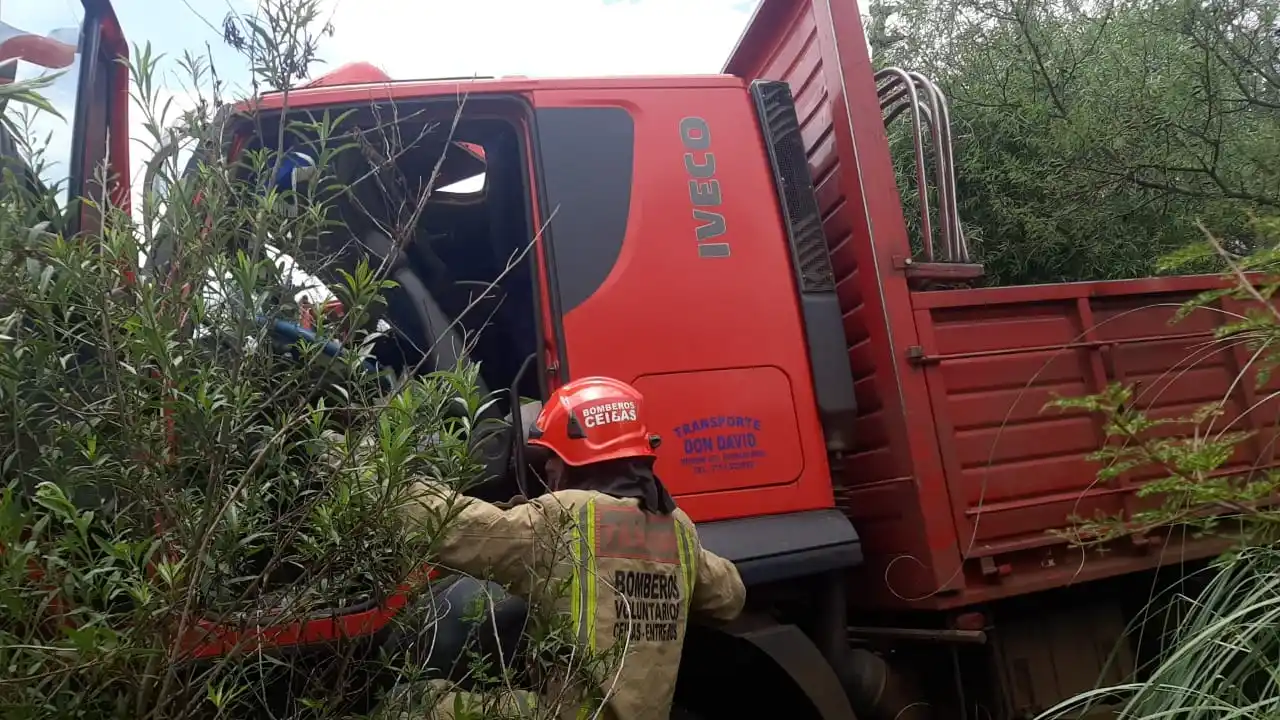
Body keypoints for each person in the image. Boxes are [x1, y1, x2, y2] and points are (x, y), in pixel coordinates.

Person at [398, 376, 747, 720]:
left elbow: (461, 529)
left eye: (552, 456)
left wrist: (390, 486)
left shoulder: (570, 515)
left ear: (579, 458)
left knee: (416, 702)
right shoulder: (677, 527)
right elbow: (729, 598)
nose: (548, 467)